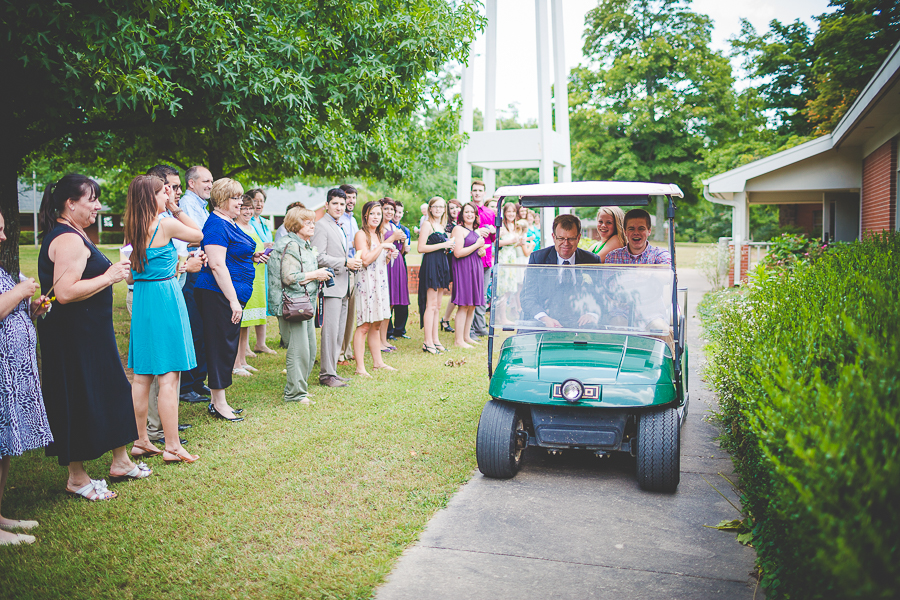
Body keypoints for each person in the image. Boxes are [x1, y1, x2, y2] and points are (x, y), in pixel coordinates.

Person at [36, 174, 145, 501]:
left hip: (90, 332)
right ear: (71, 204)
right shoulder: (68, 240)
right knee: (78, 397)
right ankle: (76, 476)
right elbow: (65, 293)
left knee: (112, 388)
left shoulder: (74, 233)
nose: (98, 205)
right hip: (73, 337)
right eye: (92, 199)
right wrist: (110, 276)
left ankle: (121, 461)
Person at [124, 175, 202, 464]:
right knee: (169, 375)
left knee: (142, 376)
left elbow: (132, 272)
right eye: (162, 193)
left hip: (143, 296)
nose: (166, 197)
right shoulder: (165, 223)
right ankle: (172, 445)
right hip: (164, 297)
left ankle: (140, 439)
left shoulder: (131, 228)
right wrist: (175, 207)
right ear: (152, 197)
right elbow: (198, 234)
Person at [195, 178, 269, 422]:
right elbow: (216, 265)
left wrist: (252, 256)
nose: (241, 202)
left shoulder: (228, 222)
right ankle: (219, 404)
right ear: (222, 200)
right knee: (220, 347)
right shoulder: (216, 224)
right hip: (218, 296)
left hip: (230, 295)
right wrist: (233, 300)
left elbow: (232, 254)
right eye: (236, 198)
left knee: (226, 346)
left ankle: (219, 401)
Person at [0, 209, 53, 545]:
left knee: (3, 447)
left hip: (13, 374)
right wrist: (21, 292)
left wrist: (33, 307)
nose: (4, 237)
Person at [267, 207, 333, 404]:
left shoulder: (303, 244)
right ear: (296, 224)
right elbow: (289, 277)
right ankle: (294, 394)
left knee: (310, 349)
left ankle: (300, 388)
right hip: (291, 304)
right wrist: (316, 274)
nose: (313, 225)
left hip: (305, 303)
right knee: (298, 350)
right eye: (308, 223)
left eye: (313, 222)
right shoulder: (289, 245)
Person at [312, 189, 363, 387]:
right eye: (335, 204)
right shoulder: (321, 226)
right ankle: (326, 375)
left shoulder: (339, 225)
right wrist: (344, 262)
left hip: (344, 285)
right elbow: (318, 257)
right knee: (330, 332)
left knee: (339, 332)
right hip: (331, 286)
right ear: (326, 205)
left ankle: (332, 371)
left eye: (342, 204)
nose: (339, 207)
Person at [520, 214, 601, 329]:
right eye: (561, 238)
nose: (566, 243)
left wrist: (592, 313)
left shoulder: (592, 261)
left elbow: (600, 294)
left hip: (581, 324)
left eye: (571, 238)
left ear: (578, 238)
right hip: (545, 324)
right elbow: (527, 297)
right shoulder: (538, 259)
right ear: (554, 237)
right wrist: (544, 318)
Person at [178, 165, 215, 404]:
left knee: (201, 326)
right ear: (192, 183)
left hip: (202, 269)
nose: (210, 185)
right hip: (191, 270)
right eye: (206, 181)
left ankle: (198, 380)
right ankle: (186, 385)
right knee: (192, 328)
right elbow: (196, 237)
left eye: (211, 181)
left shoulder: (201, 206)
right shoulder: (185, 205)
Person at [353, 201, 397, 376]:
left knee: (377, 324)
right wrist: (382, 246)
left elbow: (380, 261)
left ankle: (378, 363)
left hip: (380, 283)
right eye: (372, 213)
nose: (376, 217)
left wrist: (387, 255)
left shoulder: (379, 235)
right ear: (365, 215)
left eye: (378, 214)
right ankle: (360, 368)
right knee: (364, 325)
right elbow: (365, 260)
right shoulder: (361, 235)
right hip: (366, 284)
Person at [232, 195, 268, 376]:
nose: (247, 211)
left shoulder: (251, 225)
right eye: (244, 208)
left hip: (257, 277)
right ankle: (235, 363)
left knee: (247, 323)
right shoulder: (235, 227)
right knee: (240, 322)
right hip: (242, 277)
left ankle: (243, 359)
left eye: (250, 208)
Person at [417, 196, 455, 353]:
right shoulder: (427, 224)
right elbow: (421, 247)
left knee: (438, 306)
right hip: (431, 264)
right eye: (435, 206)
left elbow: (441, 246)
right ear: (430, 208)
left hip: (442, 264)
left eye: (441, 207)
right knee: (430, 305)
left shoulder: (441, 225)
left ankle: (435, 340)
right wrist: (443, 244)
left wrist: (447, 247)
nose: (438, 209)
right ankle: (427, 342)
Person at [449, 202, 486, 348]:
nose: (469, 214)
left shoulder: (477, 231)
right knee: (464, 305)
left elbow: (476, 250)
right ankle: (459, 340)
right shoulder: (458, 229)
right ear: (462, 215)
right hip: (463, 269)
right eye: (467, 212)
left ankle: (466, 336)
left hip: (475, 268)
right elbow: (457, 253)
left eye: (472, 212)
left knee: (472, 305)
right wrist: (477, 245)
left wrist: (481, 251)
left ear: (476, 215)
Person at [246, 188, 276, 356]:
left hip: (264, 266)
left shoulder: (264, 222)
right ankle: (246, 346)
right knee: (251, 302)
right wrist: (264, 246)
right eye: (255, 201)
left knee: (262, 302)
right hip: (252, 265)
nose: (258, 204)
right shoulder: (246, 221)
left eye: (261, 201)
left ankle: (261, 342)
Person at [467, 180, 497, 339]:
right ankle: (469, 329)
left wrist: (492, 231)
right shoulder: (467, 210)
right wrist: (477, 231)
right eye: (475, 190)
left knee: (483, 294)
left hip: (486, 258)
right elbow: (462, 233)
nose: (477, 193)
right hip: (472, 257)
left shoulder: (490, 212)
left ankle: (480, 327)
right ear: (471, 192)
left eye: (480, 190)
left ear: (484, 193)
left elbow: (493, 238)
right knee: (472, 294)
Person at [379, 198, 407, 350]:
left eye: (392, 209)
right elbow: (380, 245)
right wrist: (395, 237)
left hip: (397, 264)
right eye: (386, 209)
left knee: (390, 304)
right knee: (383, 302)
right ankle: (378, 339)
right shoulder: (378, 227)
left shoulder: (393, 226)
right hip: (385, 266)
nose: (389, 212)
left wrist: (402, 242)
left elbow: (400, 249)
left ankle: (384, 339)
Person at [337, 184, 360, 365]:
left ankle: (347, 349)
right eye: (347, 197)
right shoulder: (339, 219)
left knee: (351, 313)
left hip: (354, 270)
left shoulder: (353, 220)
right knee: (340, 314)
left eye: (353, 197)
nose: (350, 201)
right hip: (341, 269)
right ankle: (338, 352)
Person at [604, 209, 672, 265]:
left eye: (641, 228)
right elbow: (606, 281)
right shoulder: (612, 257)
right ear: (625, 232)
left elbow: (666, 278)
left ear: (649, 231)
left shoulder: (660, 255)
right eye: (631, 229)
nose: (636, 233)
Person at [388, 200, 412, 339]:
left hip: (400, 260)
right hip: (389, 260)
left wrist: (405, 247)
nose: (397, 215)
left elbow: (403, 251)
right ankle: (389, 331)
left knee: (402, 295)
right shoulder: (387, 227)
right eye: (395, 212)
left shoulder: (405, 230)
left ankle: (400, 329)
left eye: (400, 212)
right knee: (391, 296)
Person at [496, 202, 522, 325]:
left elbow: (512, 244)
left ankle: (503, 316)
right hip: (504, 259)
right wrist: (510, 240)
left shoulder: (514, 225)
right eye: (508, 212)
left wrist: (518, 243)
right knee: (503, 289)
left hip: (513, 258)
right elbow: (496, 244)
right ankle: (502, 318)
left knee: (510, 289)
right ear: (504, 213)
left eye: (513, 211)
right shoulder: (501, 227)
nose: (511, 214)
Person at [440, 198, 463, 333]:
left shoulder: (462, 224)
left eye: (457, 207)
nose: (455, 210)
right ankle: (444, 319)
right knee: (448, 290)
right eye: (452, 208)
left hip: (460, 259)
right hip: (449, 259)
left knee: (456, 291)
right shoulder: (448, 226)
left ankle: (445, 319)